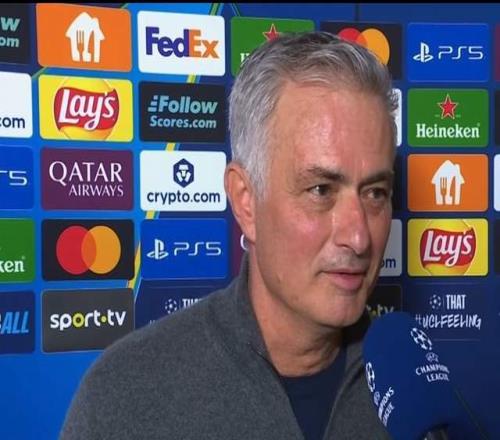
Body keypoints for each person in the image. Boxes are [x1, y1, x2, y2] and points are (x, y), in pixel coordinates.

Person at [60, 31, 397, 440]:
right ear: (246, 201)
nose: (359, 238)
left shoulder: (414, 390)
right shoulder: (122, 397)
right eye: (321, 190)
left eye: (375, 193)